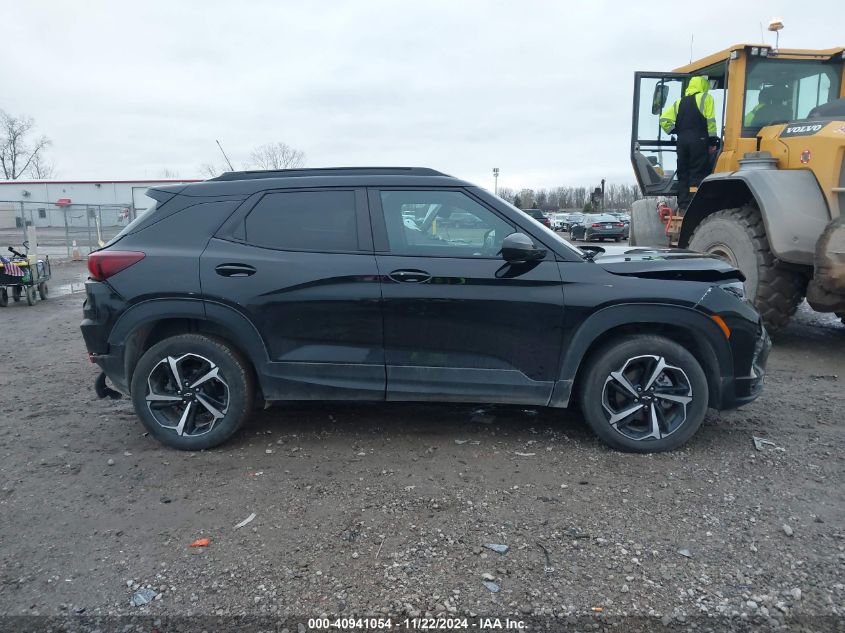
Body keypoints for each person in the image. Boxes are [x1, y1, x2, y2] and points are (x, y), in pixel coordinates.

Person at [660, 76, 717, 210]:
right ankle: (694, 202)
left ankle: (683, 203)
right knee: (697, 171)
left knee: (683, 172)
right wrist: (712, 141)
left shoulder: (679, 102)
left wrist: (674, 130)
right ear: (703, 85)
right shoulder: (705, 98)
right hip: (699, 140)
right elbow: (711, 122)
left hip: (682, 141)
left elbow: (664, 120)